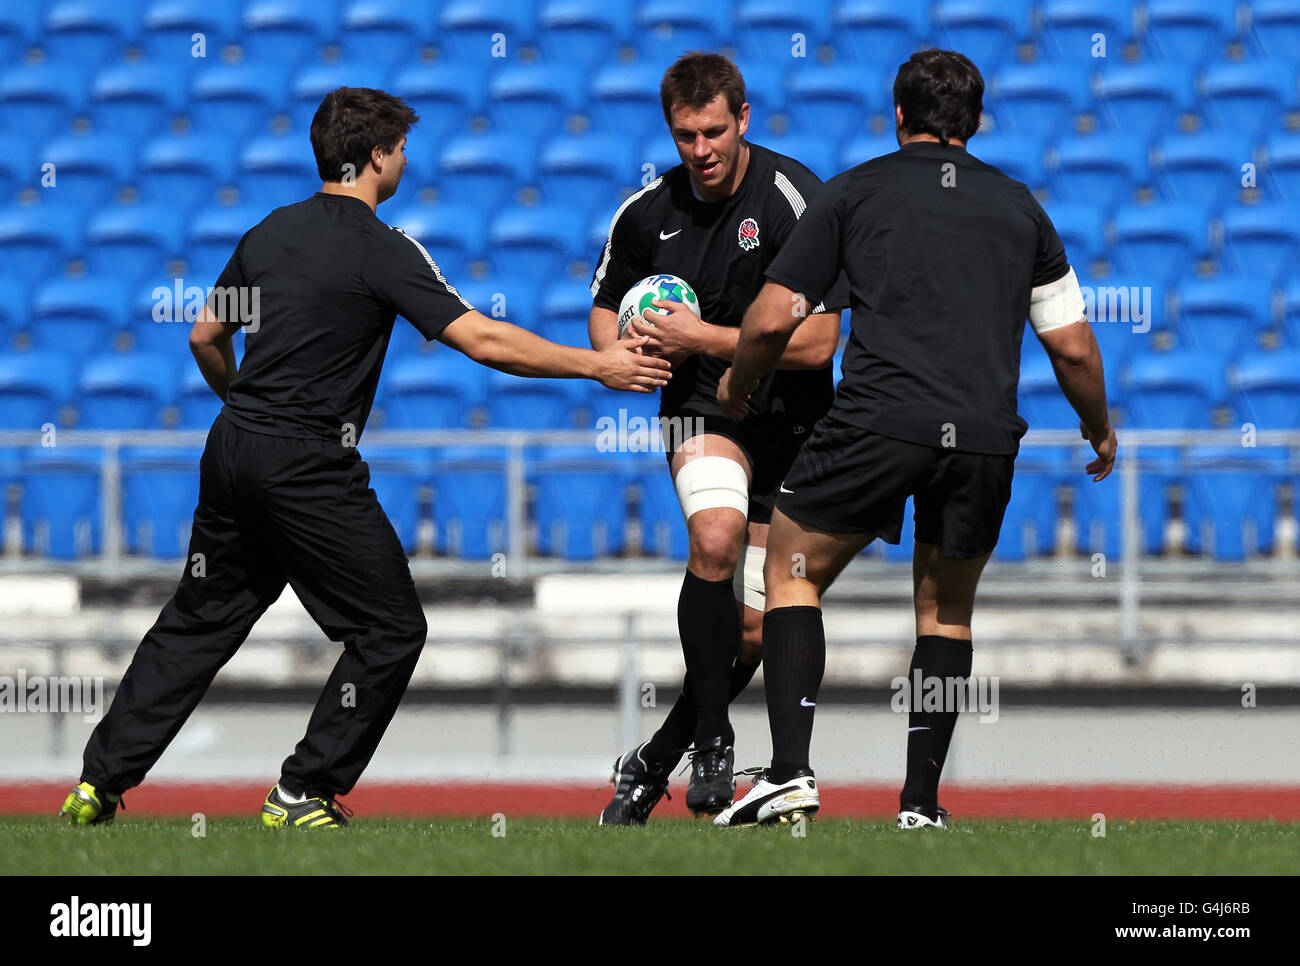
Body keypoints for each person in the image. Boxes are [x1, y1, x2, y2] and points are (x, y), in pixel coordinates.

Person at [59, 87, 670, 828]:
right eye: (402, 148)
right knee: (390, 629)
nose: (407, 160)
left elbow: (203, 337)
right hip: (304, 461)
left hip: (233, 449)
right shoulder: (381, 246)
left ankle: (96, 785)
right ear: (377, 156)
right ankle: (303, 789)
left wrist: (244, 407)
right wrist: (596, 366)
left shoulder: (267, 233)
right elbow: (480, 338)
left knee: (197, 622)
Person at [713, 49, 1118, 828]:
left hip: (878, 420)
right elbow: (1071, 345)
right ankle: (922, 805)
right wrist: (1098, 429)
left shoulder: (856, 191)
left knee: (790, 569)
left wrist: (736, 384)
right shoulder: (1021, 207)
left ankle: (792, 771)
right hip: (985, 439)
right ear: (975, 121)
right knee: (946, 616)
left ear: (897, 115)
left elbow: (769, 319)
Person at [589, 52, 848, 824]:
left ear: (743, 119)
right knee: (715, 536)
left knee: (754, 628)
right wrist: (615, 358)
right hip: (701, 413)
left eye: (712, 132)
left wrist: (701, 336)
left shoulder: (797, 199)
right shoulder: (645, 214)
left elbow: (817, 344)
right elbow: (606, 309)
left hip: (792, 426)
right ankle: (712, 735)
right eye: (684, 136)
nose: (699, 150)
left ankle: (655, 758)